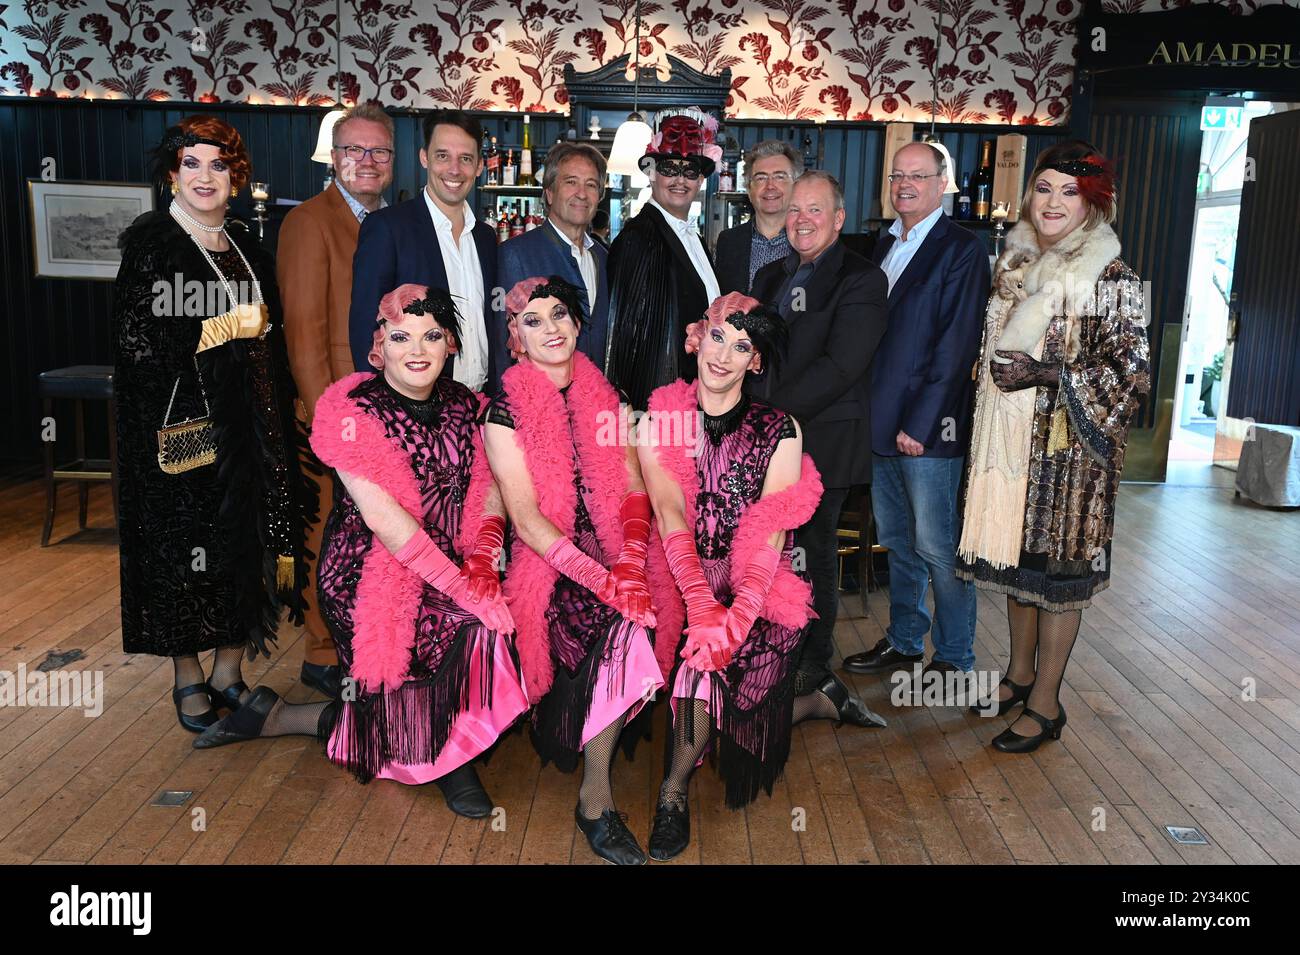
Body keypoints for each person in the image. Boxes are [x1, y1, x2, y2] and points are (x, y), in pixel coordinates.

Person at [195, 284, 529, 818]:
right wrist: (467, 590)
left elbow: (491, 486)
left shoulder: (469, 405)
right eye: (402, 336)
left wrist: (485, 561)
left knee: (501, 618)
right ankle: (450, 762)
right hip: (368, 571)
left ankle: (280, 715)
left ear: (450, 346)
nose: (417, 349)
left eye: (432, 336)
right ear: (380, 347)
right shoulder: (349, 411)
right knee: (472, 625)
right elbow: (388, 525)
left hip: (452, 559)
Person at [640, 292, 883, 862]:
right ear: (697, 338)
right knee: (700, 678)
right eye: (719, 337)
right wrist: (702, 608)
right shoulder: (659, 419)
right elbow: (670, 511)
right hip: (682, 580)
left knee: (738, 715)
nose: (725, 355)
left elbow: (772, 530)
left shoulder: (783, 429)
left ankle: (812, 702)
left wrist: (738, 616)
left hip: (758, 586)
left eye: (743, 346)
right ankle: (673, 792)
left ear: (756, 363)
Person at [114, 117, 310, 732]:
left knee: (240, 549)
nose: (206, 176)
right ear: (172, 174)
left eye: (218, 165)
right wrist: (222, 328)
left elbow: (270, 334)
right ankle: (187, 677)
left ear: (235, 176)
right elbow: (137, 345)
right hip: (180, 438)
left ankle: (230, 670)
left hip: (249, 431)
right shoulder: (154, 245)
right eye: (192, 164)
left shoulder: (248, 244)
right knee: (183, 553)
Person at [958, 140, 1150, 752]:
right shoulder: (1012, 261)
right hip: (1009, 444)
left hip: (1068, 456)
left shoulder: (1116, 277)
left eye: (1070, 192)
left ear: (1094, 203)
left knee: (1058, 578)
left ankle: (1046, 704)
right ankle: (1018, 676)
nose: (1053, 202)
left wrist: (1047, 376)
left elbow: (1135, 376)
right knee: (1020, 569)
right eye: (1044, 188)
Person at [482, 276, 679, 865]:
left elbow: (633, 486)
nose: (552, 329)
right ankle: (596, 797)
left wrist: (632, 562)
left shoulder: (606, 396)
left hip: (615, 548)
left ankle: (610, 783)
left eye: (560, 315)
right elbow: (526, 521)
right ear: (515, 337)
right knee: (612, 621)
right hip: (552, 559)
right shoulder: (503, 413)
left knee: (643, 609)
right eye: (534, 321)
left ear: (577, 322)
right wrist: (602, 581)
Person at [842, 142, 989, 689]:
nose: (904, 184)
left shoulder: (961, 249)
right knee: (898, 542)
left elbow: (955, 347)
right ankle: (905, 642)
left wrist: (921, 426)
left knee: (936, 546)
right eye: (897, 175)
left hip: (928, 432)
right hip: (879, 425)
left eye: (918, 176)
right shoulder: (885, 242)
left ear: (942, 183)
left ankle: (954, 655)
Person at [749, 170, 889, 708]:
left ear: (838, 218)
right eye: (794, 210)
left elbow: (842, 366)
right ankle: (774, 649)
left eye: (815, 210)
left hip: (822, 440)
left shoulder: (861, 278)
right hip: (766, 438)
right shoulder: (770, 277)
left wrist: (767, 413)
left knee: (813, 549)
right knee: (771, 548)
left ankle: (813, 662)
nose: (802, 220)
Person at [278, 100, 396, 699]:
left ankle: (360, 643)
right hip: (334, 415)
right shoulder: (309, 221)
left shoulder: (390, 221)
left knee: (369, 537)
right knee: (327, 528)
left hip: (385, 417)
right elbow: (303, 334)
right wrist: (330, 422)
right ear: (334, 157)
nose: (367, 161)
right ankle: (322, 653)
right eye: (355, 150)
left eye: (379, 151)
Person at [348, 109, 499, 391]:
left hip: (481, 405)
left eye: (465, 158)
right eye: (443, 156)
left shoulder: (486, 238)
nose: (454, 169)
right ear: (424, 158)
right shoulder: (387, 228)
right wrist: (382, 409)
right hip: (414, 408)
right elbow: (364, 328)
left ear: (479, 166)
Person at [606, 107, 722, 409]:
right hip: (661, 404)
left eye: (690, 171)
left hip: (698, 396)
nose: (680, 180)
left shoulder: (693, 238)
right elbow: (626, 339)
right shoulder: (638, 237)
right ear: (651, 173)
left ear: (700, 181)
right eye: (669, 168)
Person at [497, 142, 610, 387]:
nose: (582, 193)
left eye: (591, 185)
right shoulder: (513, 255)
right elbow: (502, 344)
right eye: (571, 182)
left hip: (594, 401)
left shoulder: (603, 258)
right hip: (537, 406)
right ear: (549, 192)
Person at [714, 140, 801, 295]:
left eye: (779, 177)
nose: (770, 186)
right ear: (748, 189)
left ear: (796, 185)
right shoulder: (728, 242)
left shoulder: (809, 240)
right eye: (761, 178)